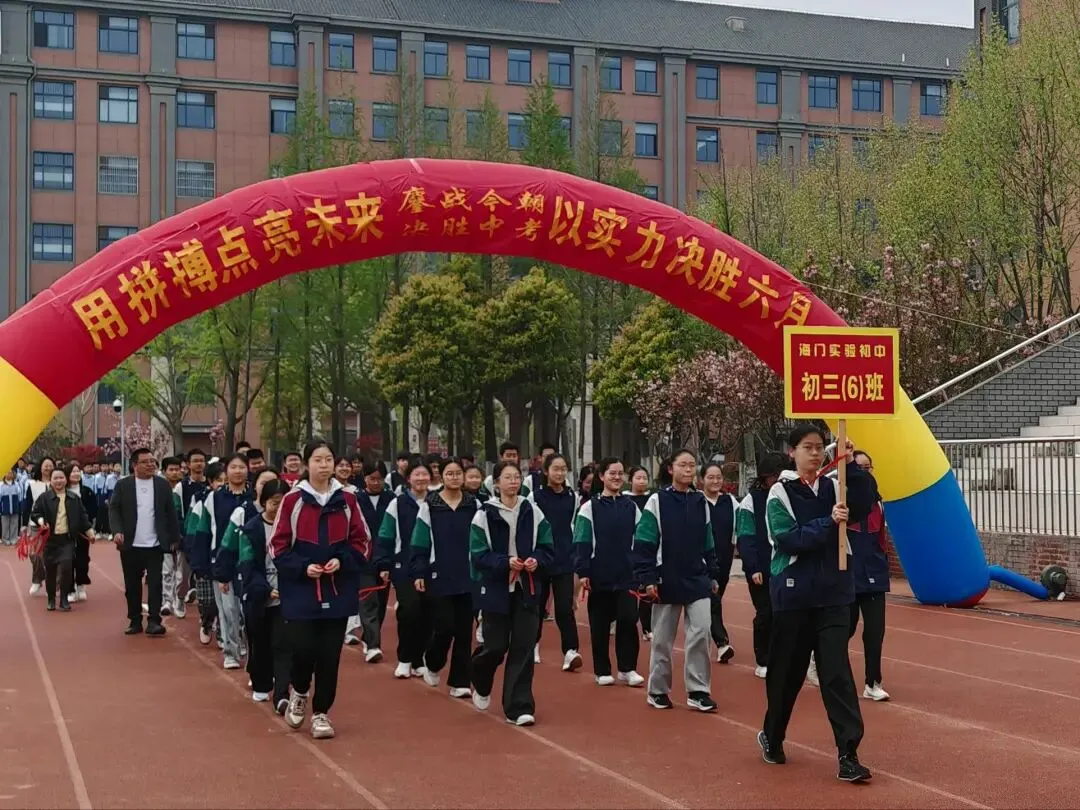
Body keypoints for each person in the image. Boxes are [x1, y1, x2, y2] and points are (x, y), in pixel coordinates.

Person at [757, 425, 875, 784]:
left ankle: (848, 754)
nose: (815, 453)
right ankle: (773, 735)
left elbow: (865, 502)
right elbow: (788, 538)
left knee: (836, 674)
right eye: (807, 447)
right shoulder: (780, 491)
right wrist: (828, 522)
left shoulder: (835, 485)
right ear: (791, 451)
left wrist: (850, 464)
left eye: (820, 447)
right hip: (794, 597)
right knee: (786, 675)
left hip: (834, 595)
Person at [271, 440, 370, 740]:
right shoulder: (293, 500)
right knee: (303, 650)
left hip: (337, 589)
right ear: (306, 464)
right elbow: (277, 546)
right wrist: (303, 567)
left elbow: (362, 541)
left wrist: (342, 561)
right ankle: (300, 691)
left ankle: (321, 712)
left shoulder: (348, 500)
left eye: (328, 459)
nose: (324, 465)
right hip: (301, 590)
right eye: (318, 459)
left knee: (329, 655)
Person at [469, 460, 554, 726]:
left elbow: (547, 546)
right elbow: (478, 554)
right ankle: (479, 676)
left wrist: (537, 560)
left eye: (516, 477)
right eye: (507, 477)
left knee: (523, 647)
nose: (513, 482)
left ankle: (518, 706)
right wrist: (504, 562)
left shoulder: (532, 511)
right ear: (496, 483)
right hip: (496, 589)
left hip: (526, 589)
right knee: (495, 647)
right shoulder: (484, 514)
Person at [634, 449, 719, 713]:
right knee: (662, 640)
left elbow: (708, 540)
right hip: (666, 578)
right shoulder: (657, 501)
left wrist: (712, 572)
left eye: (692, 465)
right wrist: (648, 577)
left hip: (697, 578)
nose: (689, 469)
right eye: (683, 465)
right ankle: (658, 690)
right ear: (670, 469)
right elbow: (645, 541)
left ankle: (698, 691)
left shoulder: (700, 501)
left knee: (701, 632)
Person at [410, 458, 479, 698]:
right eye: (449, 473)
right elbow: (420, 539)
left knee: (464, 631)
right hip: (438, 574)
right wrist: (419, 570)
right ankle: (433, 661)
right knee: (444, 627)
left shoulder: (474, 504)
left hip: (467, 574)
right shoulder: (430, 505)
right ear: (442, 476)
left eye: (458, 473)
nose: (454, 477)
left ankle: (460, 681)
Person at [574, 457, 644, 687]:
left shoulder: (631, 507)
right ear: (602, 476)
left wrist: (641, 566)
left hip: (627, 574)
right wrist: (584, 571)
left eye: (620, 473)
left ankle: (627, 668)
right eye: (612, 473)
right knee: (600, 625)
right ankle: (602, 670)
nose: (616, 477)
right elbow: (582, 540)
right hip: (600, 574)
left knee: (628, 619)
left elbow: (641, 538)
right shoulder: (589, 507)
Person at [189, 454, 254, 667]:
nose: (238, 471)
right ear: (226, 471)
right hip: (222, 561)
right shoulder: (214, 498)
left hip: (250, 561)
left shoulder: (254, 497)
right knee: (228, 610)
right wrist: (200, 564)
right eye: (233, 467)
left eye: (241, 467)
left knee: (247, 609)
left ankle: (247, 646)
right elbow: (203, 531)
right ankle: (230, 652)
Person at [109, 448, 181, 635]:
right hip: (131, 544)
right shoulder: (123, 485)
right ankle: (135, 620)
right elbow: (114, 509)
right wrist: (117, 531)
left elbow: (170, 512)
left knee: (155, 583)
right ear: (134, 465)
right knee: (132, 585)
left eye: (152, 461)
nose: (150, 465)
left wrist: (174, 538)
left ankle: (154, 621)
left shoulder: (162, 485)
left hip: (155, 544)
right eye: (145, 462)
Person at [235, 479, 292, 713]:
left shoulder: (293, 527)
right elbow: (248, 565)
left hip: (286, 598)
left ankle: (282, 694)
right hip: (259, 597)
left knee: (283, 644)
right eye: (274, 502)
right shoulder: (251, 530)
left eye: (283, 503)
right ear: (264, 502)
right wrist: (267, 590)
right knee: (260, 643)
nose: (278, 508)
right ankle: (261, 683)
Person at [375, 460, 433, 679]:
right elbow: (386, 534)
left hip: (430, 565)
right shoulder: (397, 504)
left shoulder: (436, 502)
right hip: (404, 565)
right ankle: (405, 658)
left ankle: (419, 659)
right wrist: (383, 563)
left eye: (425, 474)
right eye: (416, 474)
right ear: (408, 478)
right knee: (409, 610)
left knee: (427, 613)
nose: (421, 478)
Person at [735, 453, 787, 679]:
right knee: (765, 613)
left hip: (785, 567)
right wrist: (753, 567)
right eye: (774, 476)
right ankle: (763, 659)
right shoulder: (752, 500)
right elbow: (745, 537)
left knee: (785, 615)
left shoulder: (790, 494)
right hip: (761, 569)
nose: (778, 480)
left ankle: (782, 657)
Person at [530, 453, 582, 670]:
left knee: (564, 608)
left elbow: (574, 525)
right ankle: (532, 645)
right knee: (537, 606)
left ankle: (571, 651)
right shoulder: (535, 497)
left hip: (564, 558)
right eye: (556, 469)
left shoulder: (573, 497)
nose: (560, 473)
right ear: (546, 471)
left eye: (563, 469)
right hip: (541, 558)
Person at [848, 451, 890, 702]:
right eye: (859, 468)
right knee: (846, 628)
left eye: (868, 468)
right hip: (848, 575)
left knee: (875, 631)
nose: (864, 473)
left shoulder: (879, 504)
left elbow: (882, 541)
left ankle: (873, 682)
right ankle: (819, 660)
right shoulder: (842, 503)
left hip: (875, 574)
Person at [345, 460, 393, 661]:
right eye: (372, 479)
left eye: (379, 479)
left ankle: (369, 636)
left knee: (381, 602)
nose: (376, 483)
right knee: (368, 600)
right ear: (364, 478)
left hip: (385, 559)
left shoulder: (391, 500)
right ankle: (374, 645)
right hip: (362, 558)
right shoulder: (355, 500)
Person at [30, 467, 92, 612]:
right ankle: (51, 599)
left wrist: (90, 532)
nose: (59, 481)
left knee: (66, 569)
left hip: (67, 540)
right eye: (55, 478)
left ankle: (64, 599)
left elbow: (83, 516)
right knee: (51, 572)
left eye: (61, 478)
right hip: (50, 541)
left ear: (66, 479)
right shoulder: (44, 498)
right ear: (51, 481)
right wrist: (41, 521)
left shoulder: (74, 498)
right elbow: (35, 513)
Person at [701, 462, 739, 664]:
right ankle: (722, 643)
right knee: (712, 599)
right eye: (710, 477)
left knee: (714, 599)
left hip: (725, 559)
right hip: (702, 560)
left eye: (718, 477)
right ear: (702, 480)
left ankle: (706, 633)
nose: (715, 481)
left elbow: (739, 528)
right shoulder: (697, 501)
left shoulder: (730, 502)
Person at [23, 457, 55, 595]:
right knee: (34, 554)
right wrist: (24, 525)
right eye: (45, 465)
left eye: (50, 465)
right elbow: (27, 505)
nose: (48, 468)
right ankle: (37, 579)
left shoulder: (58, 482)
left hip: (54, 523)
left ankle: (51, 582)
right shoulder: (32, 485)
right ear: (40, 467)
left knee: (51, 555)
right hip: (35, 523)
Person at [66, 465, 98, 603]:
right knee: (67, 560)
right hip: (65, 531)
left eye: (77, 471)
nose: (76, 474)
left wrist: (88, 527)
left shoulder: (87, 491)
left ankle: (80, 584)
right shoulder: (62, 491)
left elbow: (93, 510)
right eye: (72, 471)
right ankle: (69, 589)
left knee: (82, 559)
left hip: (83, 531)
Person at [0, 469, 21, 545]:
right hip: (5, 508)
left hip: (15, 507)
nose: (9, 474)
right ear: (4, 474)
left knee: (14, 523)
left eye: (10, 473)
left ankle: (13, 538)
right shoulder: (1, 485)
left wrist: (19, 506)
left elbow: (20, 496)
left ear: (13, 474)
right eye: (7, 473)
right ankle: (5, 539)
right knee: (5, 525)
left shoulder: (16, 484)